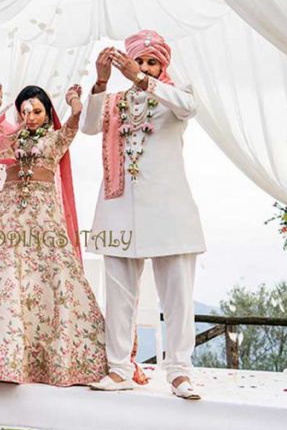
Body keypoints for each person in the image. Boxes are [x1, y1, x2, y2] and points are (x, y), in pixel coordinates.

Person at [0, 83, 107, 386]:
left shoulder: (56, 139)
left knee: (51, 276)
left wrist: (72, 98)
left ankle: (54, 361)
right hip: (10, 215)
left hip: (43, 217)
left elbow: (76, 117)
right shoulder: (10, 141)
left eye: (37, 110)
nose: (30, 116)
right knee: (4, 276)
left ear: (47, 112)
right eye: (25, 110)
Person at [83, 30, 206, 400]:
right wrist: (102, 81)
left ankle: (180, 372)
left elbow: (189, 108)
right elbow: (89, 126)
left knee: (178, 296)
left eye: (153, 62)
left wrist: (142, 80)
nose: (146, 67)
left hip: (170, 211)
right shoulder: (115, 101)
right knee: (118, 293)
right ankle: (118, 368)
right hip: (118, 208)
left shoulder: (174, 95)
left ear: (162, 65)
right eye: (140, 61)